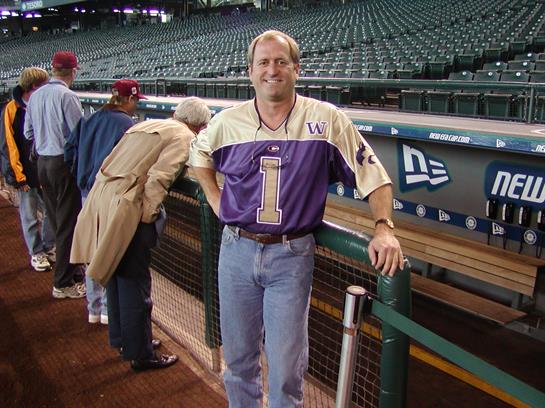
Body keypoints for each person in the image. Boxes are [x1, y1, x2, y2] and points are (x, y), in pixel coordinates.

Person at [189, 30, 404, 408]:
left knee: (287, 369)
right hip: (236, 250)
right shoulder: (228, 122)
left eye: (281, 61)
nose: (272, 70)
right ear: (250, 72)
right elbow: (198, 154)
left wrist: (384, 229)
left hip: (291, 255)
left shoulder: (326, 119)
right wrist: (214, 196)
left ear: (296, 68)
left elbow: (374, 175)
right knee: (238, 361)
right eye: (263, 62)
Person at [70, 97, 211, 371]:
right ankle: (141, 354)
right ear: (199, 125)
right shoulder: (183, 136)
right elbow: (160, 177)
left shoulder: (145, 125)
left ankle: (124, 338)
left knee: (116, 272)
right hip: (126, 207)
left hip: (102, 198)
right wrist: (147, 217)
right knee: (136, 283)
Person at [65, 79, 143, 325]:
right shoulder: (125, 124)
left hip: (87, 191)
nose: (136, 105)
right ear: (129, 99)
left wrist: (80, 175)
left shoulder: (90, 118)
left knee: (92, 250)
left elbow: (69, 151)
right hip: (109, 194)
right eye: (136, 100)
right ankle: (109, 311)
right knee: (110, 251)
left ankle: (94, 309)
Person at [24, 51, 85, 299]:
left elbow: (28, 133)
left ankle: (72, 272)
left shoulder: (36, 96)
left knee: (58, 220)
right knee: (68, 223)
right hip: (62, 163)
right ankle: (63, 283)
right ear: (73, 71)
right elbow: (78, 134)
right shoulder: (67, 96)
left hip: (43, 163)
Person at [0, 67, 55, 271]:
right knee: (29, 214)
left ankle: (48, 246)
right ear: (34, 86)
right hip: (24, 172)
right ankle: (36, 252)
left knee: (52, 211)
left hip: (45, 170)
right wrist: (18, 176)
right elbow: (8, 145)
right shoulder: (11, 109)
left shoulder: (42, 104)